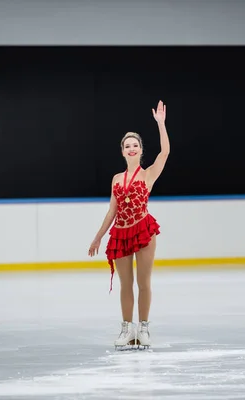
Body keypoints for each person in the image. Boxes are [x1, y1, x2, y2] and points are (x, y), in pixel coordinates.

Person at [88, 100, 170, 349]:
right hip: (121, 235)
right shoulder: (116, 179)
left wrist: (161, 124)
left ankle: (143, 329)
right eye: (127, 146)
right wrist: (98, 236)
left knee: (143, 283)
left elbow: (164, 153)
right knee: (126, 285)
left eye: (135, 145)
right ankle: (126, 330)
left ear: (140, 150)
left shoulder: (148, 174)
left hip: (143, 230)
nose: (131, 148)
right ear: (122, 151)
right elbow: (112, 210)